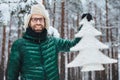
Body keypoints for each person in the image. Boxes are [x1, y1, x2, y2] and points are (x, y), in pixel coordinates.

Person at [6, 3, 81, 80]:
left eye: (41, 19)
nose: (38, 22)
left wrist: (83, 25)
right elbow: (12, 75)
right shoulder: (19, 45)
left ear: (45, 22)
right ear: (29, 22)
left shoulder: (53, 42)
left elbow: (74, 45)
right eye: (35, 19)